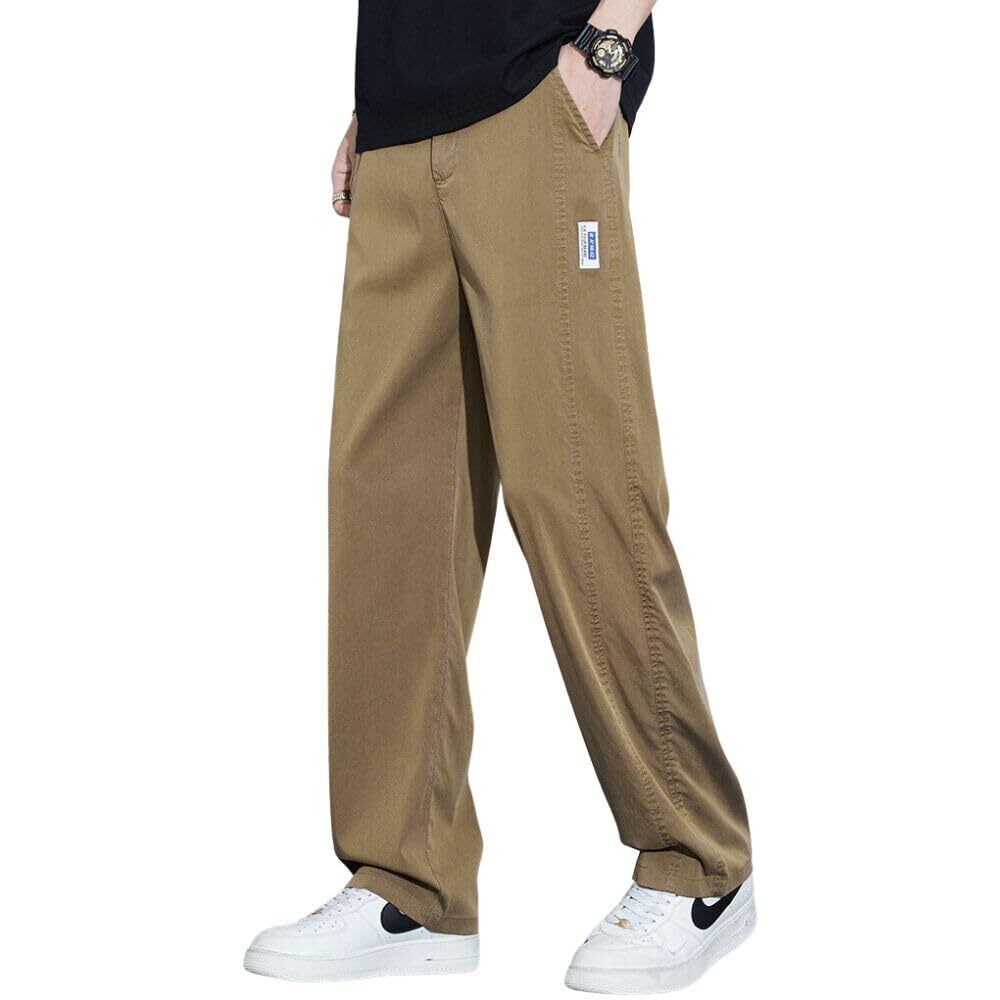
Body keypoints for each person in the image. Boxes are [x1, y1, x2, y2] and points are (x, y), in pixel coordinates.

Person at [245, 1, 754, 991]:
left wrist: (607, 47)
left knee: (577, 483)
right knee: (389, 509)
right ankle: (409, 883)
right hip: (401, 125)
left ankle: (699, 860)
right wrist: (377, 105)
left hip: (539, 92)